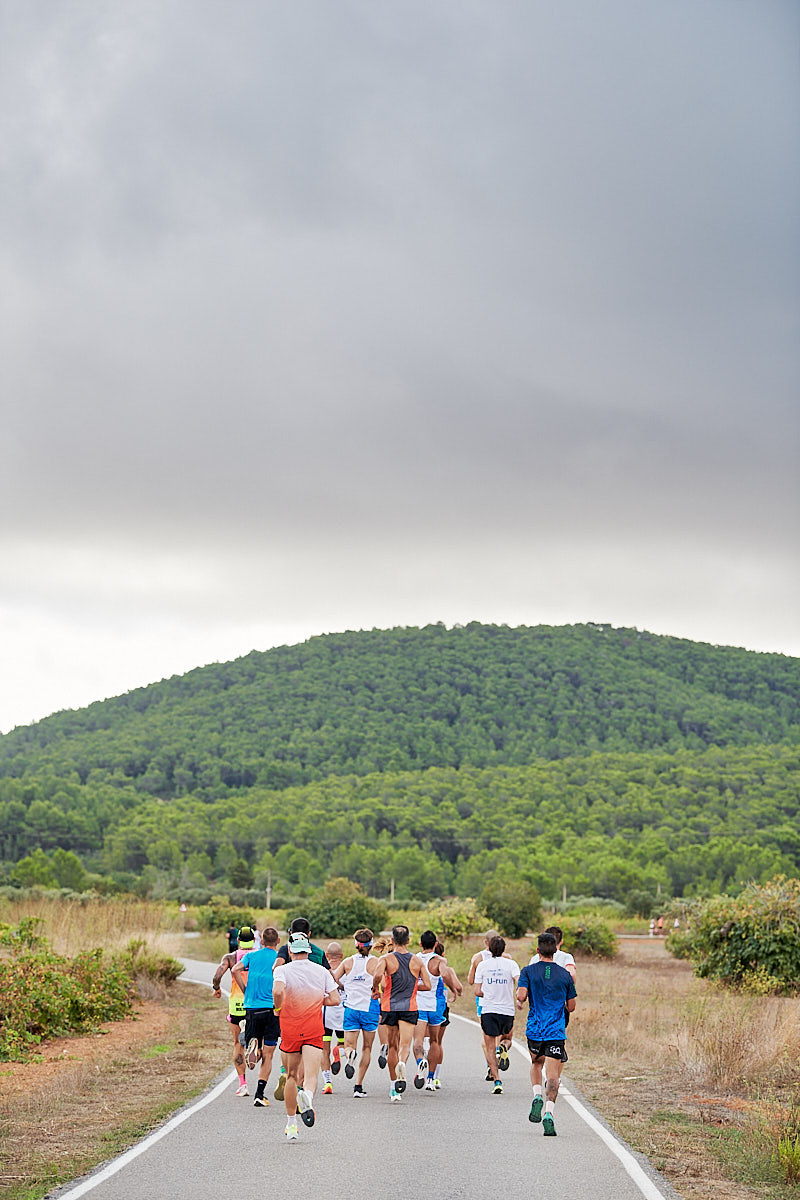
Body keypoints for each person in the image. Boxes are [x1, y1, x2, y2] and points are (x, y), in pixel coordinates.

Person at [271, 930, 340, 1141]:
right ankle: (308, 1097)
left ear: (290, 950)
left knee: (291, 1076)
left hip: (290, 1028)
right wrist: (318, 1001)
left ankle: (291, 1125)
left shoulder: (282, 970)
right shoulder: (321, 971)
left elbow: (277, 991)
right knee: (310, 1076)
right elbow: (335, 999)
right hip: (313, 1028)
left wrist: (278, 1007)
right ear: (308, 950)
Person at [516, 931, 577, 1136]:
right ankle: (549, 1113)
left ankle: (536, 1097)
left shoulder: (528, 971)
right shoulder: (565, 975)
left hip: (535, 1029)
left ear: (538, 950)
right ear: (556, 949)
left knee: (536, 1064)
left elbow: (522, 996)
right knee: (553, 1077)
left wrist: (521, 995)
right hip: (556, 1030)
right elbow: (572, 1006)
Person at [272, 917, 331, 1101]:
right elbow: (330, 976)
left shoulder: (285, 950)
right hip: (313, 1017)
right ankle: (304, 1093)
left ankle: (288, 1076)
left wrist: (278, 1004)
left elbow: (277, 970)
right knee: (308, 1069)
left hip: (290, 1014)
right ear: (310, 935)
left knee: (291, 1066)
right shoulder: (319, 952)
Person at [372, 924, 431, 1102]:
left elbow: (376, 976)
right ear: (408, 940)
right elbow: (428, 985)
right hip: (409, 1007)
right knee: (405, 1045)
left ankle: (393, 1088)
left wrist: (375, 988)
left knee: (392, 1046)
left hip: (390, 1007)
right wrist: (413, 987)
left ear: (392, 940)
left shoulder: (386, 959)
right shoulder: (417, 961)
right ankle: (402, 1064)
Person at [230, 925, 281, 1107]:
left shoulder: (251, 956)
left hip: (251, 1007)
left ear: (261, 942)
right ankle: (259, 1094)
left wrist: (245, 989)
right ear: (278, 942)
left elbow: (235, 969)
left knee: (256, 1044)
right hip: (271, 1009)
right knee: (269, 1054)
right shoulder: (279, 958)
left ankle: (253, 1047)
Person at [333, 929, 382, 1097]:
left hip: (351, 1008)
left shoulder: (348, 962)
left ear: (356, 944)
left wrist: (343, 986)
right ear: (371, 944)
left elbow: (333, 978)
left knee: (348, 1045)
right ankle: (358, 1086)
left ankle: (349, 1056)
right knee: (367, 1048)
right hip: (370, 1009)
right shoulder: (376, 962)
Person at [413, 930, 463, 1092]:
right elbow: (445, 974)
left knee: (418, 1042)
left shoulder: (414, 959)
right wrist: (454, 991)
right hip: (434, 1006)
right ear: (435, 944)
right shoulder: (439, 960)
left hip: (418, 1005)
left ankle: (421, 1063)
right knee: (435, 1041)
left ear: (420, 944)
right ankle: (430, 1078)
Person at [211, 925, 256, 1095]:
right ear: (254, 940)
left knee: (238, 1044)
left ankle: (243, 1084)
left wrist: (217, 988)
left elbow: (217, 976)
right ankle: (255, 1047)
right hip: (255, 1003)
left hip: (236, 1005)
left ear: (237, 940)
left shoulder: (230, 957)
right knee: (261, 1041)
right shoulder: (257, 956)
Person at [474, 935, 520, 1095]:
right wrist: (519, 998)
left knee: (489, 1047)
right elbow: (519, 983)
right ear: (504, 949)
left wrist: (488, 990)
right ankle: (504, 1048)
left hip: (488, 1010)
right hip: (506, 1010)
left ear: (489, 949)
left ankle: (497, 1081)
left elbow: (477, 991)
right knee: (507, 1039)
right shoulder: (512, 964)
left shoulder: (482, 965)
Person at [468, 929, 513, 1078]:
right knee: (501, 1037)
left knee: (487, 1038)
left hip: (484, 1002)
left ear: (485, 942)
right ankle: (500, 1053)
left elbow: (471, 981)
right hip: (504, 1003)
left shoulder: (477, 958)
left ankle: (490, 1067)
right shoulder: (508, 959)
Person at [320, 941, 345, 1094]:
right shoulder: (347, 968)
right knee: (344, 1044)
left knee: (324, 1049)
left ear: (327, 955)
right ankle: (339, 1051)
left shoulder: (322, 971)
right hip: (342, 1014)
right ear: (341, 956)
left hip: (326, 1014)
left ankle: (327, 1082)